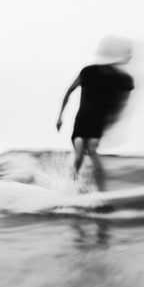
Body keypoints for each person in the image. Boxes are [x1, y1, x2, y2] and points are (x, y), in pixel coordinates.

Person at [56, 36, 134, 191]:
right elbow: (69, 91)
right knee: (79, 155)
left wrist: (112, 123)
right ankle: (68, 189)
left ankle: (102, 192)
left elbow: (120, 105)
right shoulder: (88, 72)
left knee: (92, 150)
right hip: (82, 120)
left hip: (97, 123)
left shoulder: (123, 80)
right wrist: (60, 116)